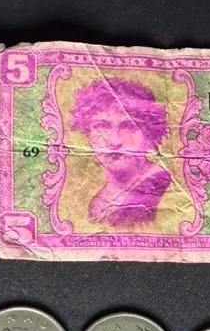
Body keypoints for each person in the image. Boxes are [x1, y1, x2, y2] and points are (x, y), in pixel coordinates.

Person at [69, 78, 171, 227]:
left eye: (128, 127)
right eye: (101, 126)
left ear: (148, 134)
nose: (114, 141)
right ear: (88, 133)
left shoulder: (162, 188)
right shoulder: (99, 199)